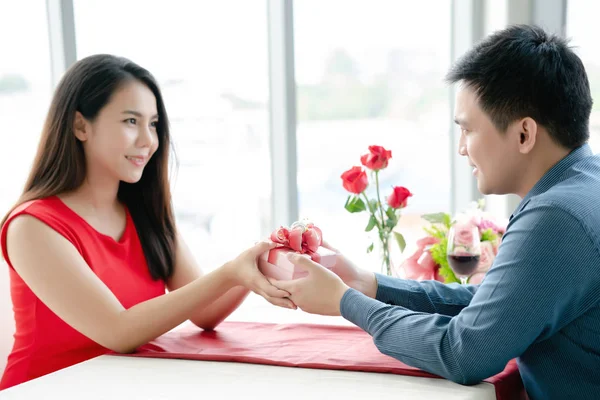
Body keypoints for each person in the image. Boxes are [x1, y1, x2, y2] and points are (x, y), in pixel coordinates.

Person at [270, 25, 600, 399]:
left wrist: (345, 303)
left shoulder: (555, 217)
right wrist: (368, 284)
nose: (462, 149)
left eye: (468, 130)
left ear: (524, 134)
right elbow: (496, 308)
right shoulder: (584, 186)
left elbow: (463, 353)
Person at [0, 54, 294, 390]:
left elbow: (205, 312)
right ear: (80, 125)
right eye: (130, 121)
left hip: (128, 386)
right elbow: (118, 332)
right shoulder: (32, 227)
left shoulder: (144, 215)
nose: (148, 140)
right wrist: (230, 271)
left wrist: (259, 259)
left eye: (153, 124)